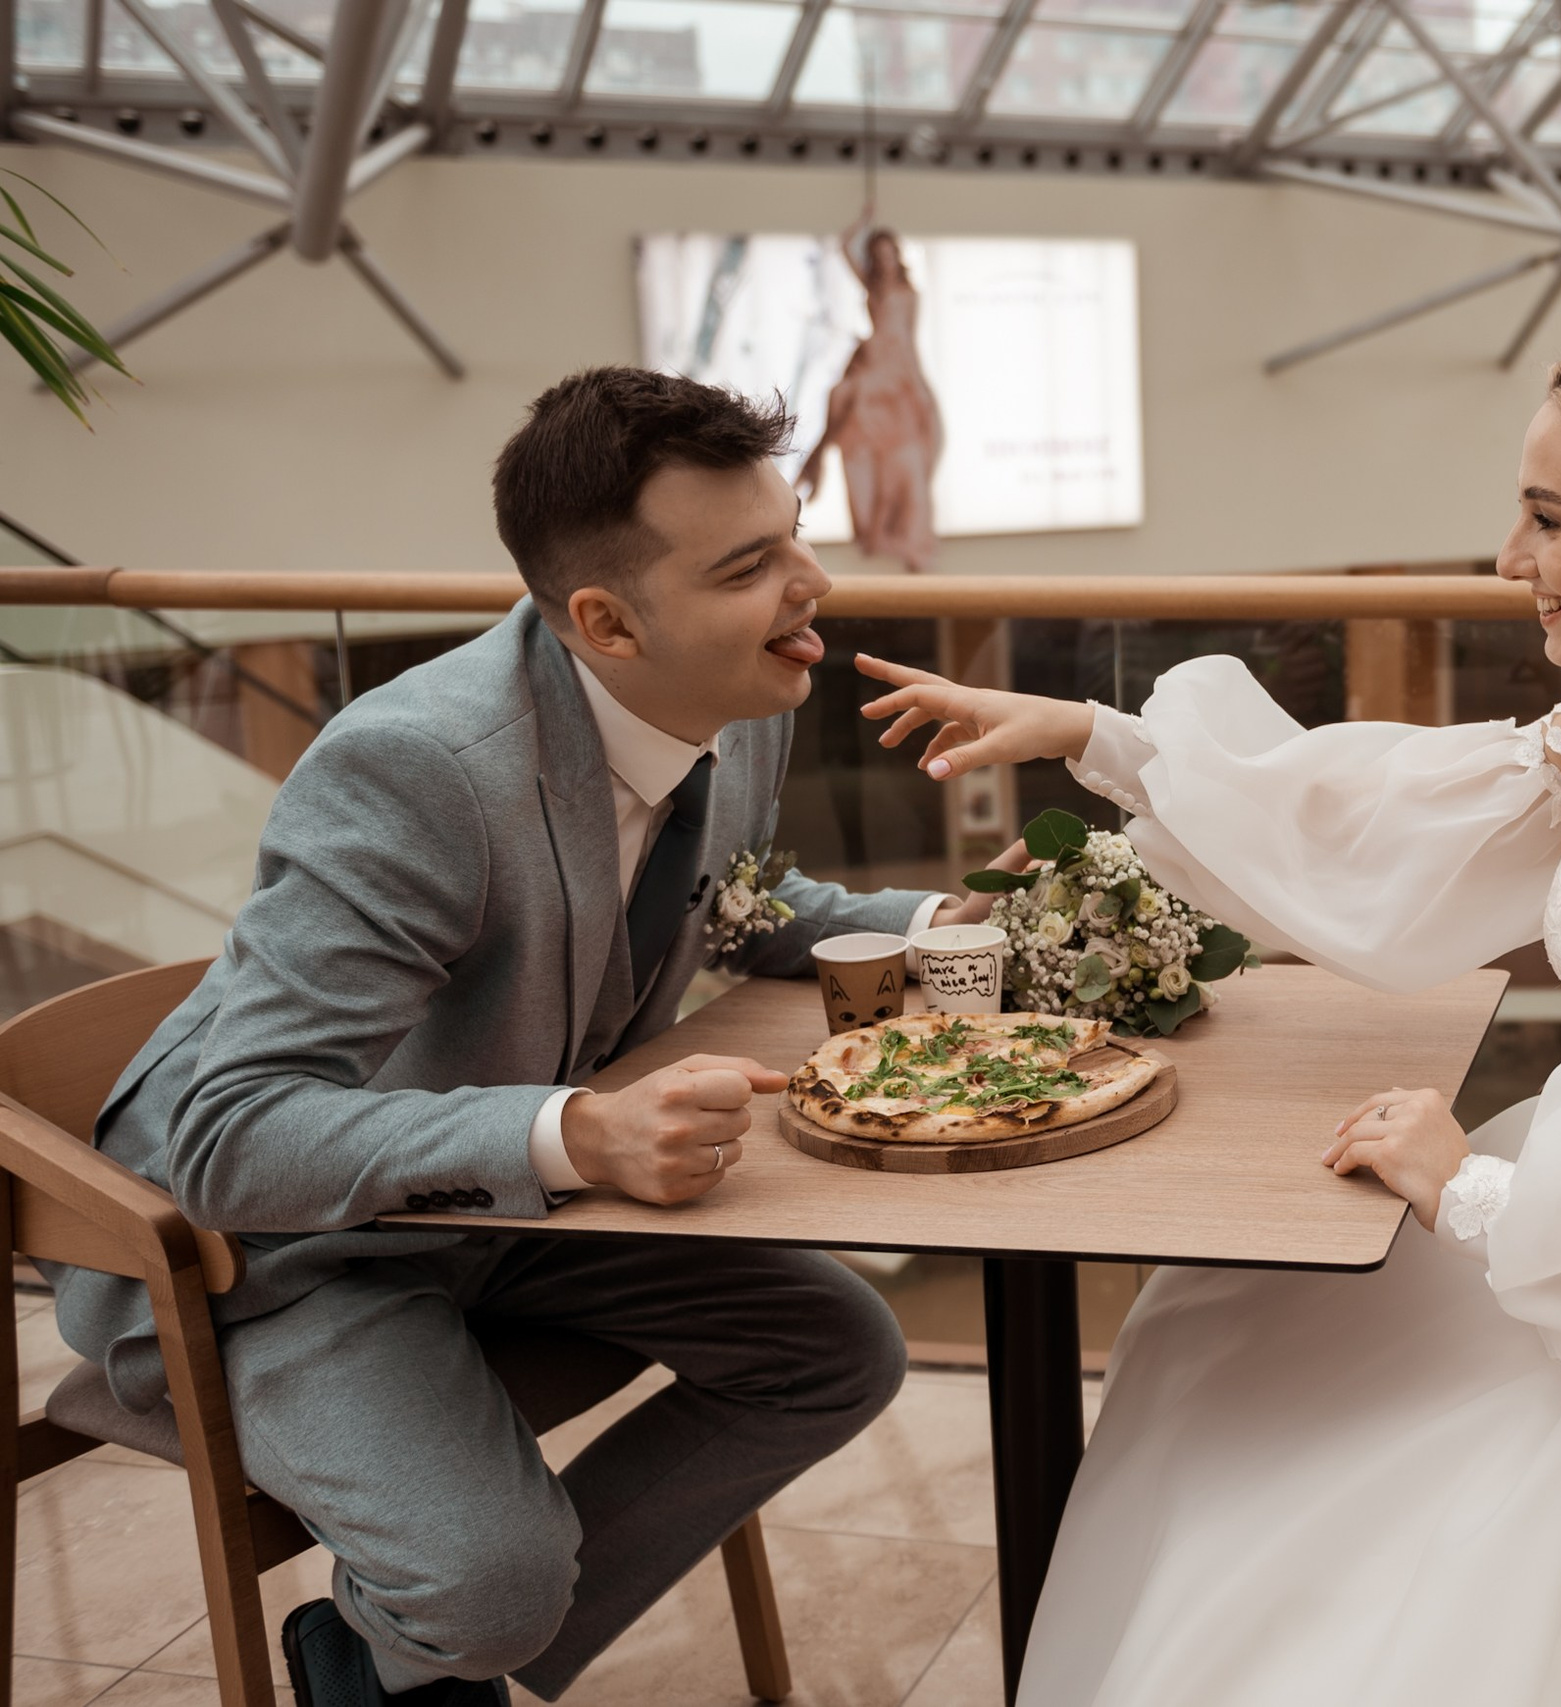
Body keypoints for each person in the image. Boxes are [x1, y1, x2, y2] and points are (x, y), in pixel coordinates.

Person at [854, 325, 1561, 1706]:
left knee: (1363, 1518)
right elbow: (1355, 812)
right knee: (1215, 1337)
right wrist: (1092, 735)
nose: (1506, 559)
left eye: (1545, 519)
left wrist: (1472, 1188)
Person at [42, 368, 1013, 1706]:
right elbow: (231, 1137)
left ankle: (423, 1651)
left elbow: (732, 893)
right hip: (274, 1248)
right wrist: (579, 1133)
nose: (812, 585)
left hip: (506, 1209)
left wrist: (945, 920)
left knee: (837, 1350)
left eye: (793, 537)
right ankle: (448, 1632)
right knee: (490, 1578)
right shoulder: (419, 769)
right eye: (749, 567)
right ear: (607, 620)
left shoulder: (728, 705)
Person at [795, 224, 943, 573]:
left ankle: (898, 533)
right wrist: (864, 220)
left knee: (906, 440)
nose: (885, 260)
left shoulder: (909, 293)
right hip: (876, 361)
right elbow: (845, 246)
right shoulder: (872, 287)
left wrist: (918, 384)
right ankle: (818, 468)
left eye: (889, 253)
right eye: (878, 255)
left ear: (896, 256)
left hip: (898, 365)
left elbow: (908, 339)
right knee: (847, 405)